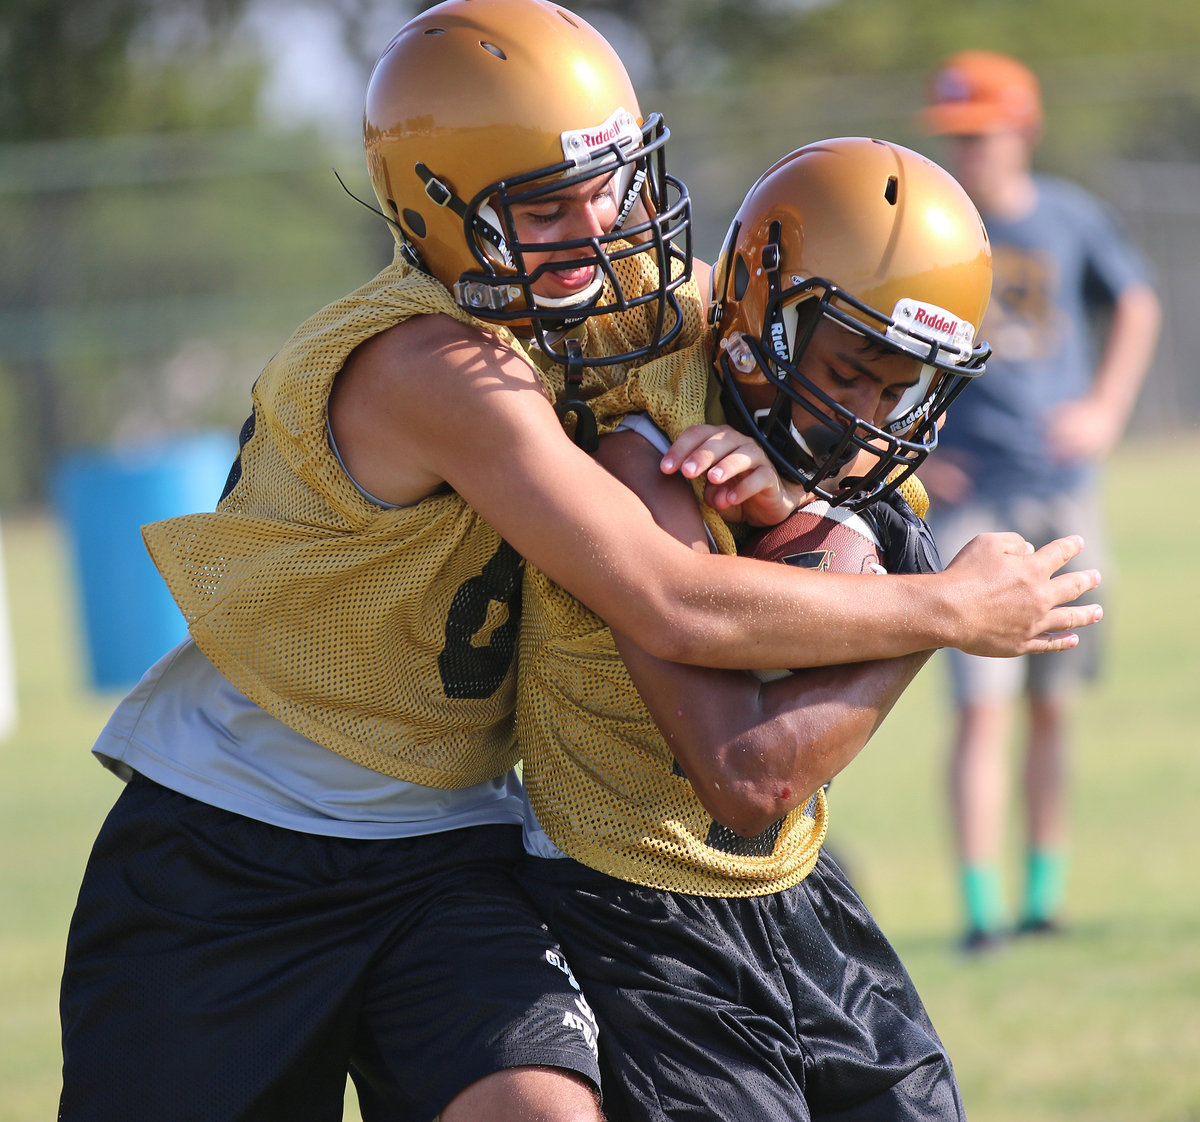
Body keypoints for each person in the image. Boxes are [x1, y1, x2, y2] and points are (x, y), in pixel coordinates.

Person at [56, 0, 1099, 1112]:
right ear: (435, 205)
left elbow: (800, 343)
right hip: (236, 838)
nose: (600, 229)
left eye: (613, 183)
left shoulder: (608, 296)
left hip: (453, 840)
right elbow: (671, 602)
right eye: (550, 205)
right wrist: (947, 607)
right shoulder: (431, 365)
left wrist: (790, 485)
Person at [515, 138, 1101, 1121]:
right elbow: (750, 777)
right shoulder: (644, 456)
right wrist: (941, 610)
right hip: (639, 905)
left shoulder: (811, 462)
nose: (868, 416)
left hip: (793, 886)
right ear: (759, 322)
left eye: (898, 387)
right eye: (848, 371)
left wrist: (813, 510)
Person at [919, 50, 1161, 951]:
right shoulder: (937, 227)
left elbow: (1137, 302)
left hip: (1063, 493)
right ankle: (980, 913)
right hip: (974, 502)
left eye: (982, 134)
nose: (969, 153)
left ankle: (1043, 898)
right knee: (981, 705)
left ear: (1023, 129)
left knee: (1053, 704)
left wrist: (1105, 406)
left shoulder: (1067, 215)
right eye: (956, 138)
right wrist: (917, 453)